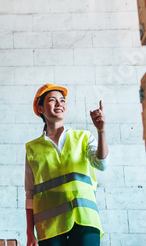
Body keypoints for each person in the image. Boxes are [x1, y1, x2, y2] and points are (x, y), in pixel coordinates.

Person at [25, 84, 109, 246]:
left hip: (84, 219)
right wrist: (30, 234)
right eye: (52, 100)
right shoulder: (32, 148)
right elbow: (30, 194)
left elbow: (101, 164)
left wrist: (101, 131)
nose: (59, 104)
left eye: (62, 100)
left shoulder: (83, 137)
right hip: (49, 227)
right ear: (40, 109)